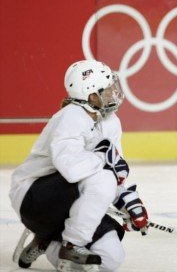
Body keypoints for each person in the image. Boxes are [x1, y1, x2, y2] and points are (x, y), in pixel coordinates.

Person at [9, 60, 149, 271]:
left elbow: (113, 170)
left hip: (70, 200)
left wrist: (129, 202)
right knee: (102, 178)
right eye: (108, 89)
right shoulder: (71, 116)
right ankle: (72, 244)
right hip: (33, 198)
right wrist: (104, 156)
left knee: (111, 259)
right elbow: (72, 169)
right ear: (91, 95)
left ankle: (48, 242)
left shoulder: (111, 122)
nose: (114, 93)